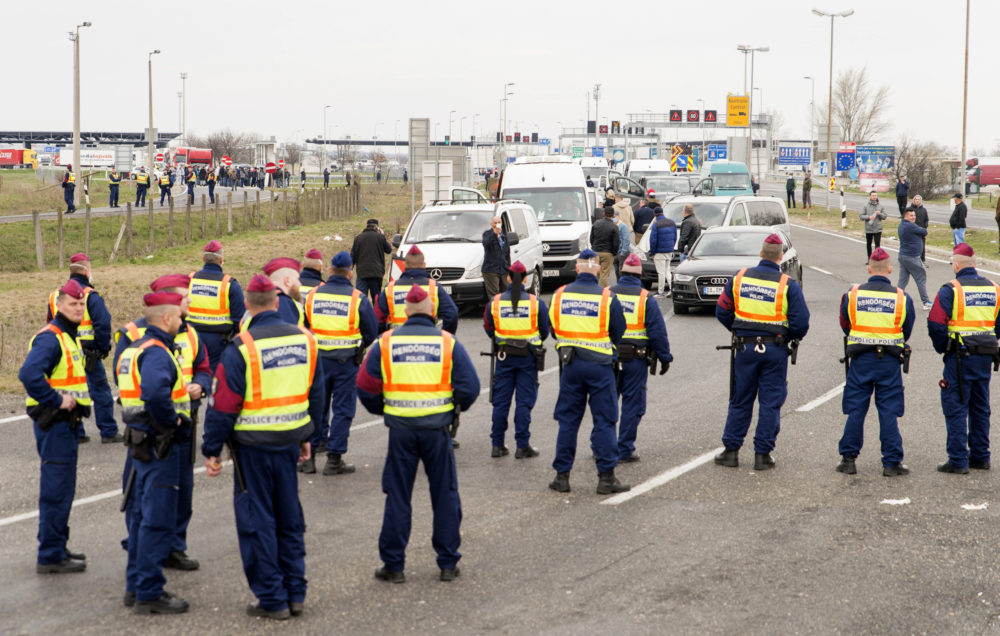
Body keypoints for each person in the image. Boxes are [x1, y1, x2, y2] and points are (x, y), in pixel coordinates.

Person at [201, 274, 321, 619]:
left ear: (249, 306)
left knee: (258, 522)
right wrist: (307, 436)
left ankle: (272, 598)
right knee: (289, 518)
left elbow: (223, 406)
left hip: (252, 449)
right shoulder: (306, 340)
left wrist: (211, 449)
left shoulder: (242, 347)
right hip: (289, 442)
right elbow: (315, 393)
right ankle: (295, 592)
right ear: (275, 302)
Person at [357, 285, 478, 583]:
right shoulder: (447, 342)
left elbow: (365, 386)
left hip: (400, 431)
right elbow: (470, 387)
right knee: (445, 494)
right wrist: (452, 408)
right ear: (431, 311)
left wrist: (384, 408)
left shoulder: (386, 343)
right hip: (437, 431)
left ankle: (394, 565)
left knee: (398, 495)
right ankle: (448, 564)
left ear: (406, 312)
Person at [114, 274, 209, 570]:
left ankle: (173, 546)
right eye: (184, 297)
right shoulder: (134, 334)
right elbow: (125, 374)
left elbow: (205, 367)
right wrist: (167, 417)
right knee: (144, 495)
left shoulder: (191, 333)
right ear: (168, 303)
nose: (189, 302)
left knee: (181, 490)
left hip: (183, 422)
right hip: (154, 429)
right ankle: (143, 550)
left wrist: (200, 385)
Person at [118, 290, 191, 614]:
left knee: (140, 516)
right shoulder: (158, 353)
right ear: (166, 318)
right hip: (160, 445)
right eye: (177, 316)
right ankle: (149, 591)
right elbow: (155, 394)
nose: (181, 321)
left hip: (140, 443)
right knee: (157, 520)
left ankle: (135, 586)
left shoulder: (134, 349)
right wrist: (171, 423)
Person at [714, 233, 810, 470]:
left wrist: (740, 331)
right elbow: (801, 323)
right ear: (780, 257)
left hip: (744, 348)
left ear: (760, 253)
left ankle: (731, 452)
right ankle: (762, 455)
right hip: (774, 350)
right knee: (770, 402)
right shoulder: (787, 284)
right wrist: (788, 336)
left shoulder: (739, 278)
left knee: (740, 400)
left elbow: (722, 311)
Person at [20, 279, 91, 574]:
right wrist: (55, 399)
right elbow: (29, 374)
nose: (78, 308)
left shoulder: (68, 336)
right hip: (55, 424)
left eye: (80, 304)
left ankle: (57, 545)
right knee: (56, 490)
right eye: (72, 304)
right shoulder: (51, 338)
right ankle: (50, 554)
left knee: (63, 489)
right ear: (58, 305)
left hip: (67, 425)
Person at [547, 249, 630, 495]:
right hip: (600, 367)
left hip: (570, 365)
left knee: (568, 421)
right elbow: (618, 330)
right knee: (604, 420)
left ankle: (562, 477)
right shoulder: (607, 296)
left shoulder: (559, 295)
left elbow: (554, 328)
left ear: (577, 268)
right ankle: (606, 478)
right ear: (596, 269)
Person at [836, 248, 914, 476]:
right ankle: (891, 463)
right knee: (888, 411)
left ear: (869, 269)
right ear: (890, 270)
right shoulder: (901, 297)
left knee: (856, 410)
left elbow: (845, 323)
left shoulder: (852, 294)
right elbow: (906, 329)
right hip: (889, 361)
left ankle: (848, 459)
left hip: (860, 360)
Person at [301, 251, 377, 475]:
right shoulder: (358, 298)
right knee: (343, 409)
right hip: (345, 362)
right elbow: (371, 332)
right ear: (350, 274)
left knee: (316, 407)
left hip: (317, 362)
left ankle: (309, 458)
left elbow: (304, 327)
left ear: (330, 270)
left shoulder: (313, 295)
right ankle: (334, 460)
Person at [928, 243, 1000, 474]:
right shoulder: (994, 289)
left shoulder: (951, 289)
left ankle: (958, 460)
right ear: (975, 264)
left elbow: (936, 323)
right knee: (980, 406)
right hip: (985, 356)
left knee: (956, 405)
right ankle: (981, 456)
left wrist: (943, 348)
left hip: (958, 357)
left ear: (956, 265)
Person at [46, 253, 119, 442]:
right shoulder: (90, 296)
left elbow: (49, 324)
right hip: (89, 352)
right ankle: (108, 431)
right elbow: (103, 323)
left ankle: (76, 432)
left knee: (71, 391)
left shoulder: (55, 296)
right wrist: (102, 348)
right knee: (100, 390)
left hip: (64, 351)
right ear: (87, 271)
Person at [483, 261, 550, 458]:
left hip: (503, 357)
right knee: (524, 402)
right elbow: (544, 330)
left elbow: (489, 329)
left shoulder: (494, 303)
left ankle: (497, 445)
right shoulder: (535, 303)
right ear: (526, 279)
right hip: (528, 358)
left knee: (501, 402)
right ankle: (522, 445)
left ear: (508, 278)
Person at [611, 254, 672, 462]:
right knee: (632, 404)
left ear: (620, 273)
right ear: (639, 276)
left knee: (606, 403)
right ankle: (624, 449)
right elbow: (657, 333)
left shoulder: (606, 294)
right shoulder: (646, 299)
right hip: (635, 360)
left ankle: (601, 444)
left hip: (608, 358)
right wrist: (665, 358)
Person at [187, 240, 246, 371]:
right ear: (221, 260)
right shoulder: (230, 284)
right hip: (218, 342)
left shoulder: (189, 280)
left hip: (190, 338)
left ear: (203, 259)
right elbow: (239, 320)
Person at [376, 245, 459, 335]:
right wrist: (443, 336)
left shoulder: (390, 288)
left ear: (404, 265)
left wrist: (385, 337)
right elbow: (452, 314)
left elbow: (377, 319)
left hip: (397, 343)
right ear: (424, 265)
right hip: (428, 343)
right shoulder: (434, 287)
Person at [351, 217, 393, 303]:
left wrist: (349, 270)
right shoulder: (380, 237)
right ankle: (376, 316)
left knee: (360, 300)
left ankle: (361, 316)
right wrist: (382, 235)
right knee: (377, 301)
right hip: (376, 273)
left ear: (367, 226)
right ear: (376, 227)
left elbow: (352, 257)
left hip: (362, 274)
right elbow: (388, 250)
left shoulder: (358, 238)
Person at [897, 209, 932, 310]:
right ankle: (926, 302)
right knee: (921, 278)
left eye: (914, 215)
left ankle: (897, 299)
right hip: (912, 257)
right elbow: (924, 231)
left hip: (903, 256)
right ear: (905, 216)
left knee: (902, 280)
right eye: (911, 215)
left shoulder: (901, 225)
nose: (913, 217)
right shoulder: (910, 226)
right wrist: (920, 229)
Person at [262, 257, 307, 327]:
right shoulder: (284, 303)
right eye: (297, 279)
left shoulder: (257, 301)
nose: (300, 283)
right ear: (287, 281)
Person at [648, 204, 677, 299]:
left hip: (659, 252)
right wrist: (671, 247)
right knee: (667, 271)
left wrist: (652, 252)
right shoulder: (672, 222)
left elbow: (653, 240)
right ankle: (672, 289)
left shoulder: (656, 224)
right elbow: (675, 237)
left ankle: (660, 291)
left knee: (661, 272)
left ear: (655, 215)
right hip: (669, 250)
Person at [482, 216, 511, 299]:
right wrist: (494, 234)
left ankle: (505, 310)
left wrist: (509, 268)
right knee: (494, 295)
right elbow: (486, 244)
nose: (497, 224)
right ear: (491, 224)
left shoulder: (504, 236)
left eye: (499, 222)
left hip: (504, 269)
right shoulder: (487, 234)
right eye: (495, 223)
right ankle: (495, 311)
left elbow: (507, 254)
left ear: (501, 224)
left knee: (506, 292)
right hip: (491, 269)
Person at [590, 207, 620, 287]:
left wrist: (594, 247)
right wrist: (614, 252)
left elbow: (591, 238)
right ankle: (601, 292)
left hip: (596, 251)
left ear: (603, 213)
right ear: (613, 215)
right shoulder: (614, 226)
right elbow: (616, 242)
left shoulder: (596, 223)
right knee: (604, 274)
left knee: (596, 272)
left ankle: (593, 289)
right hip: (607, 253)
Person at [860, 191, 887, 263]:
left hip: (878, 228)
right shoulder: (866, 205)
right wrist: (869, 217)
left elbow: (885, 216)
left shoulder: (881, 205)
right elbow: (861, 216)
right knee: (869, 243)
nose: (874, 197)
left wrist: (880, 214)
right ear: (870, 196)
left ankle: (877, 258)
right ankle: (869, 258)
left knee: (877, 243)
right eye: (873, 195)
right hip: (869, 227)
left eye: (875, 195)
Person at [905, 195, 930, 262]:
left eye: (919, 199)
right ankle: (911, 260)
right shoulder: (909, 209)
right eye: (916, 199)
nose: (917, 201)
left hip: (921, 231)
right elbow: (905, 220)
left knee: (922, 247)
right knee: (912, 246)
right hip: (912, 231)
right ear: (913, 200)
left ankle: (922, 261)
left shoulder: (924, 210)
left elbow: (926, 220)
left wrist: (924, 227)